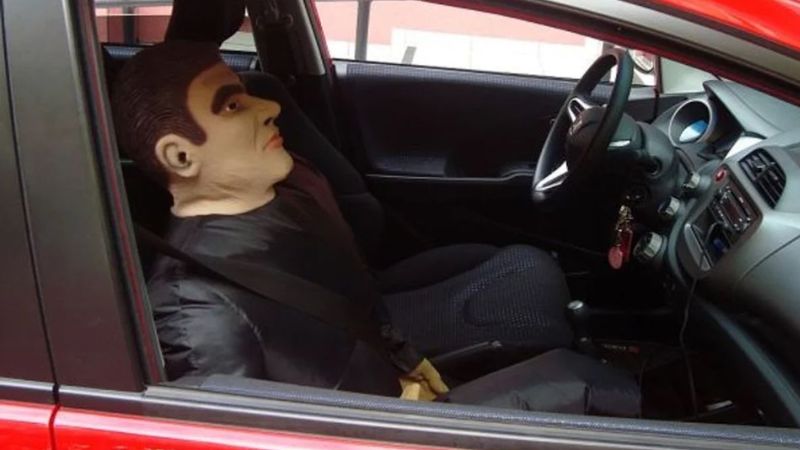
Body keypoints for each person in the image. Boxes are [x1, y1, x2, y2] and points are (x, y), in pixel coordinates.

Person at [111, 41, 639, 415]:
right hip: (384, 420)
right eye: (231, 105)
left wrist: (406, 361)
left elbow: (352, 294)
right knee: (586, 385)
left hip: (384, 359)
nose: (269, 106)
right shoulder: (197, 320)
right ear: (180, 156)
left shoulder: (281, 191)